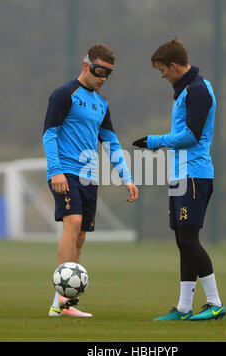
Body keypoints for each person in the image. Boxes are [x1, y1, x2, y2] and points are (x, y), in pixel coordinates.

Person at [133, 38, 226, 321]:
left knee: (188, 240)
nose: (161, 75)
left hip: (194, 174)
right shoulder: (185, 89)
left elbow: (191, 136)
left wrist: (154, 140)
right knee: (182, 241)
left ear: (174, 66)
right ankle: (184, 308)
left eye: (162, 69)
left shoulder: (198, 90)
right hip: (180, 175)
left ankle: (215, 303)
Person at [43, 44, 139, 317]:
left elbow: (110, 141)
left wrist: (128, 178)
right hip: (65, 172)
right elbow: (49, 135)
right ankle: (62, 302)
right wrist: (56, 171)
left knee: (81, 237)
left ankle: (63, 305)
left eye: (108, 73)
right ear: (86, 65)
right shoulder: (64, 94)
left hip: (88, 177)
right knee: (72, 222)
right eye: (99, 71)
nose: (103, 78)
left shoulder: (101, 104)